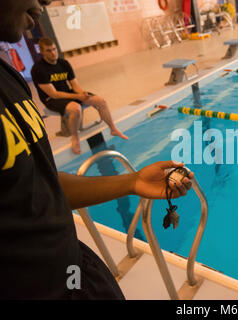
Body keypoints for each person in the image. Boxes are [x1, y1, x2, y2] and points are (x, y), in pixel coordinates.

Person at [0, 0, 193, 299]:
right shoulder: (32, 72)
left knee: (93, 99)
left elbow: (39, 186)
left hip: (75, 271)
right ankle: (76, 137)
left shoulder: (7, 76)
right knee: (77, 105)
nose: (44, 6)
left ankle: (112, 127)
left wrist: (132, 181)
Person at [31, 37, 128, 154]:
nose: (53, 53)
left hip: (68, 93)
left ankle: (113, 129)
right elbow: (54, 94)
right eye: (48, 51)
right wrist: (77, 97)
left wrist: (82, 94)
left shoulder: (64, 63)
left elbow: (74, 84)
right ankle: (75, 137)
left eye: (54, 49)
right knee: (76, 109)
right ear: (41, 52)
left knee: (100, 101)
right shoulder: (38, 69)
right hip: (51, 99)